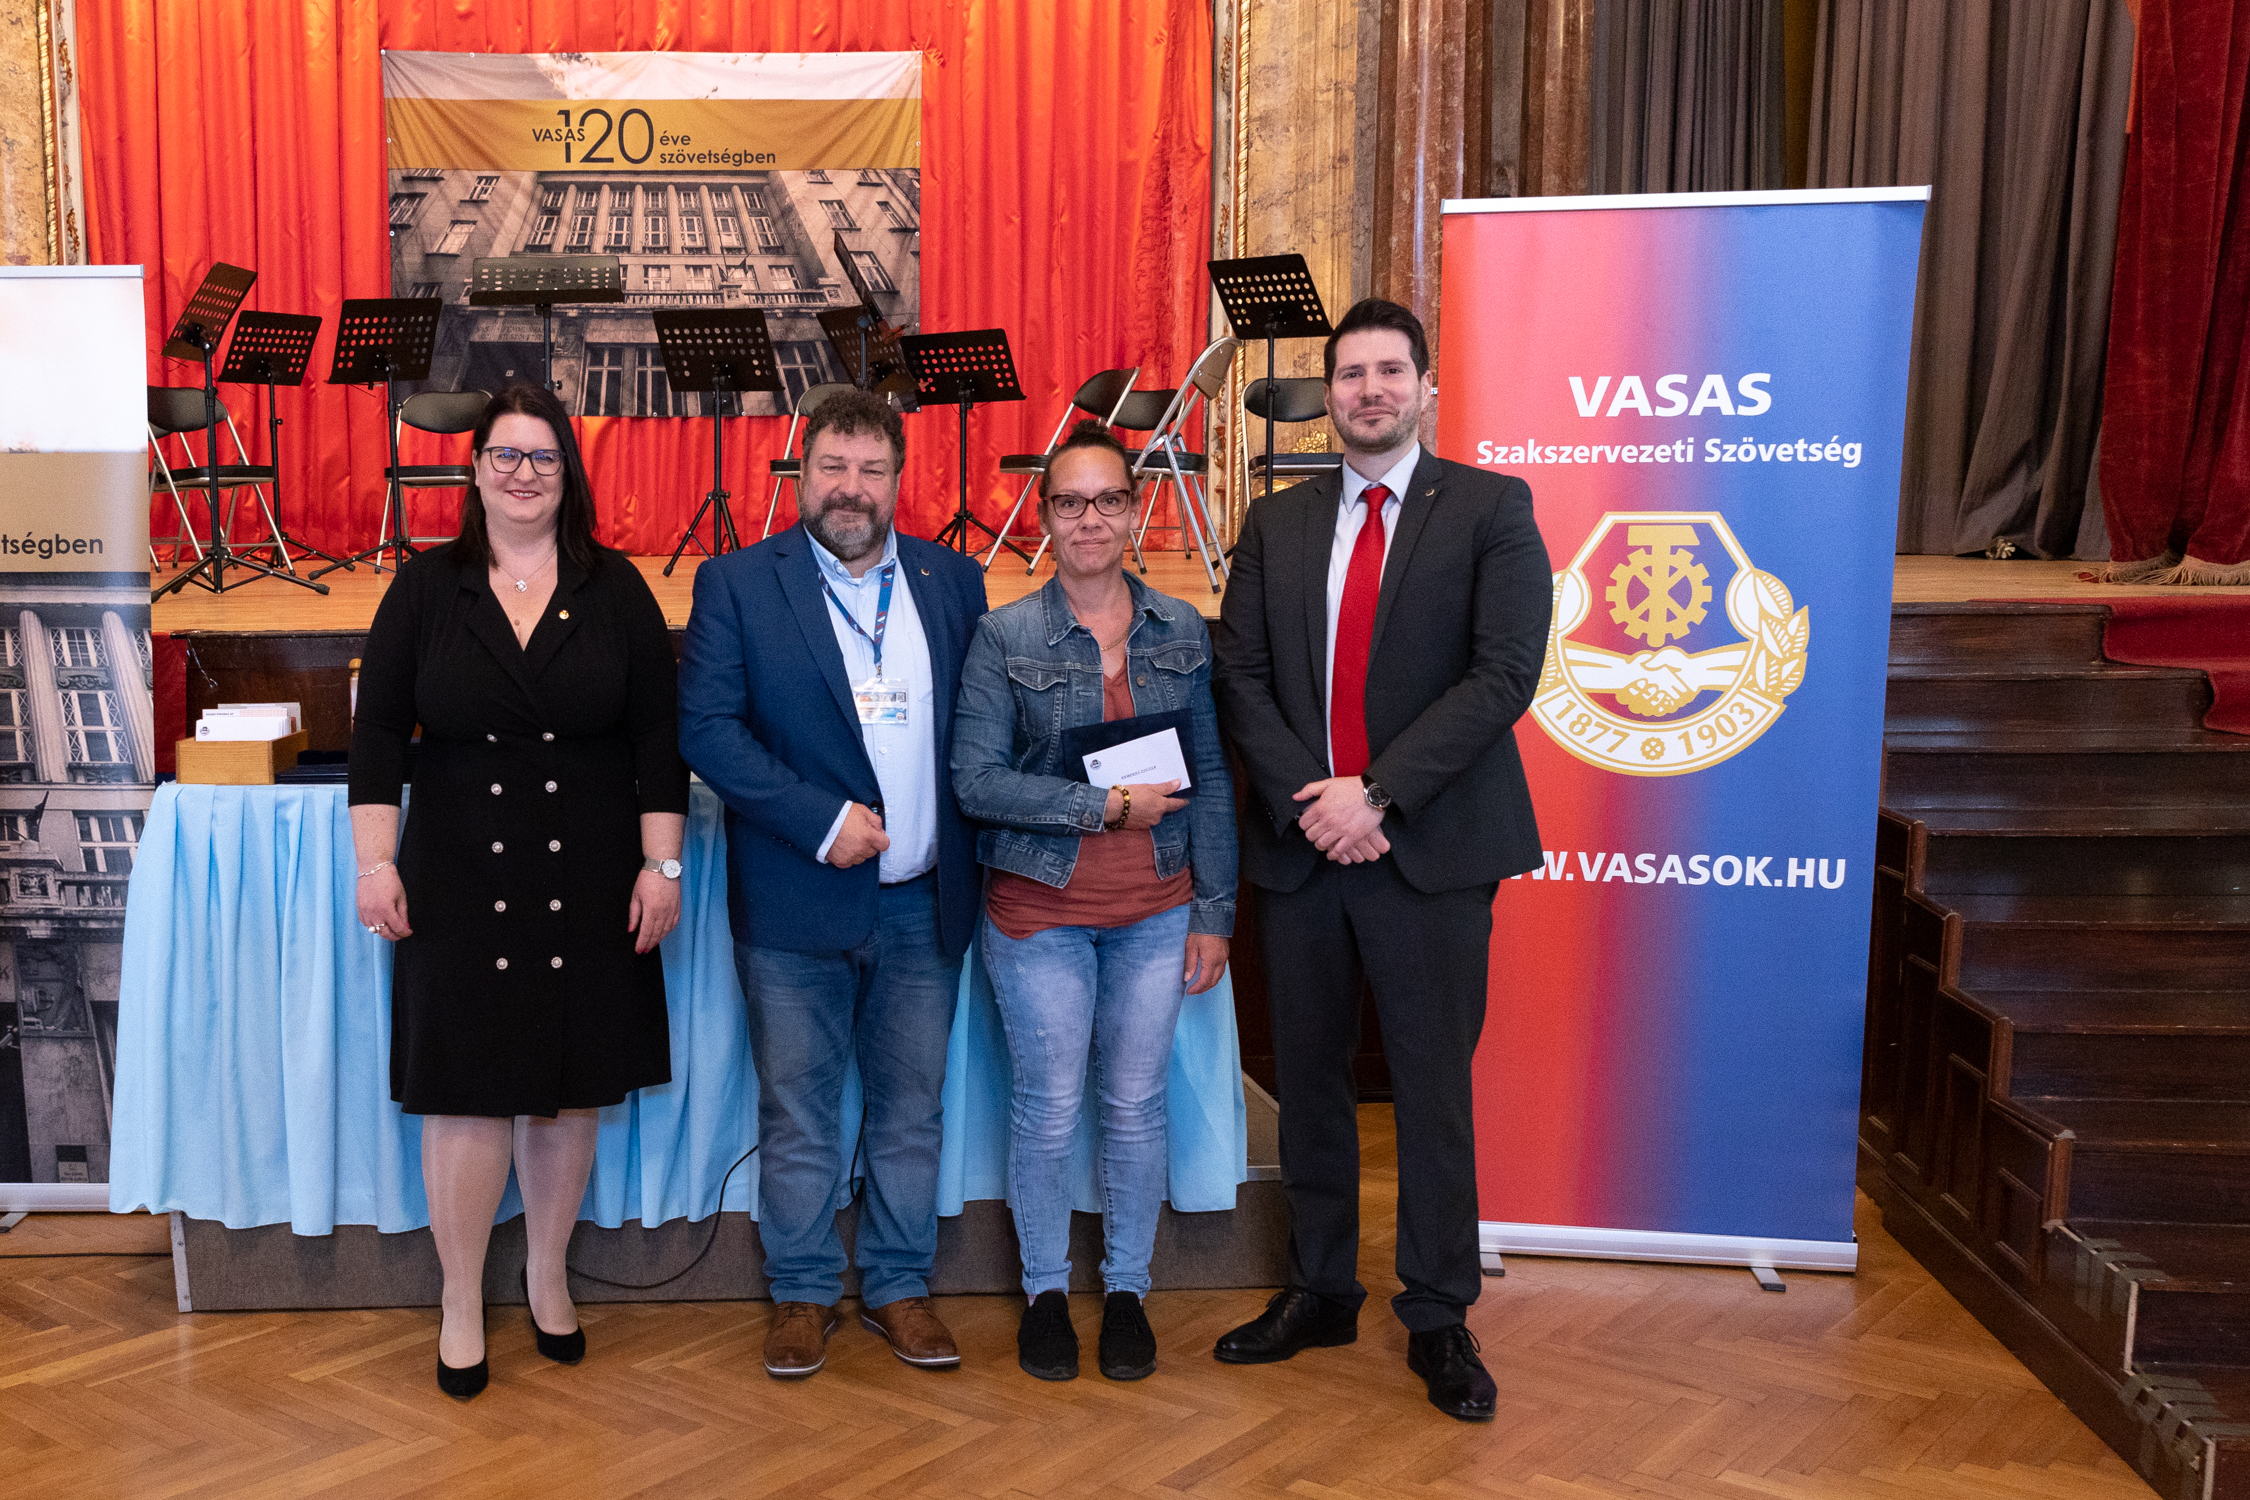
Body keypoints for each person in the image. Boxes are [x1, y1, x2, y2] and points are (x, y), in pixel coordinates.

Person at [1209, 298, 1551, 1420]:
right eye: (1350, 373)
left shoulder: (1493, 509)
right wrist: (1318, 804)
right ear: (1329, 392)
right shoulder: (1277, 522)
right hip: (1306, 849)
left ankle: (1439, 1313)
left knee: (1431, 1089)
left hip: (1429, 849)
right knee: (1309, 1082)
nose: (1369, 390)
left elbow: (1504, 675)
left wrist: (1380, 794)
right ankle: (1321, 1290)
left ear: (1425, 386)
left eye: (1389, 370)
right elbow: (1239, 675)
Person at [349, 383, 689, 1401]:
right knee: (464, 1091)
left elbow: (656, 738)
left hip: (587, 870)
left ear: (568, 473)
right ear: (476, 468)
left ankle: (547, 1275)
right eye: (506, 454)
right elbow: (379, 734)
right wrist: (375, 862)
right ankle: (460, 1299)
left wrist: (661, 866)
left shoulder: (615, 587)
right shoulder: (427, 586)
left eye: (543, 456)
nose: (524, 473)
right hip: (457, 870)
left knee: (566, 1088)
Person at [677, 388, 988, 1379]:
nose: (851, 489)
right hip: (794, 902)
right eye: (833, 467)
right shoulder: (737, 582)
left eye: (872, 470)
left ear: (899, 480)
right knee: (799, 1114)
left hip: (923, 904)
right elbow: (708, 731)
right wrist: (820, 822)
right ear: (800, 472)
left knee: (912, 1112)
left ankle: (899, 1287)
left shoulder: (953, 580)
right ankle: (804, 1293)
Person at [951, 422, 1237, 1383]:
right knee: (1046, 1108)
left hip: (1157, 906)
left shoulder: (1180, 628)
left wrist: (1215, 911)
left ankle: (1126, 1292)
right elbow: (975, 782)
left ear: (1134, 510)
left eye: (1108, 500)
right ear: (1044, 516)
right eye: (1069, 502)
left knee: (1134, 1105)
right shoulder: (1005, 635)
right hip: (1040, 909)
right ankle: (1043, 1292)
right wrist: (1103, 807)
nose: (1089, 520)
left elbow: (1211, 779)